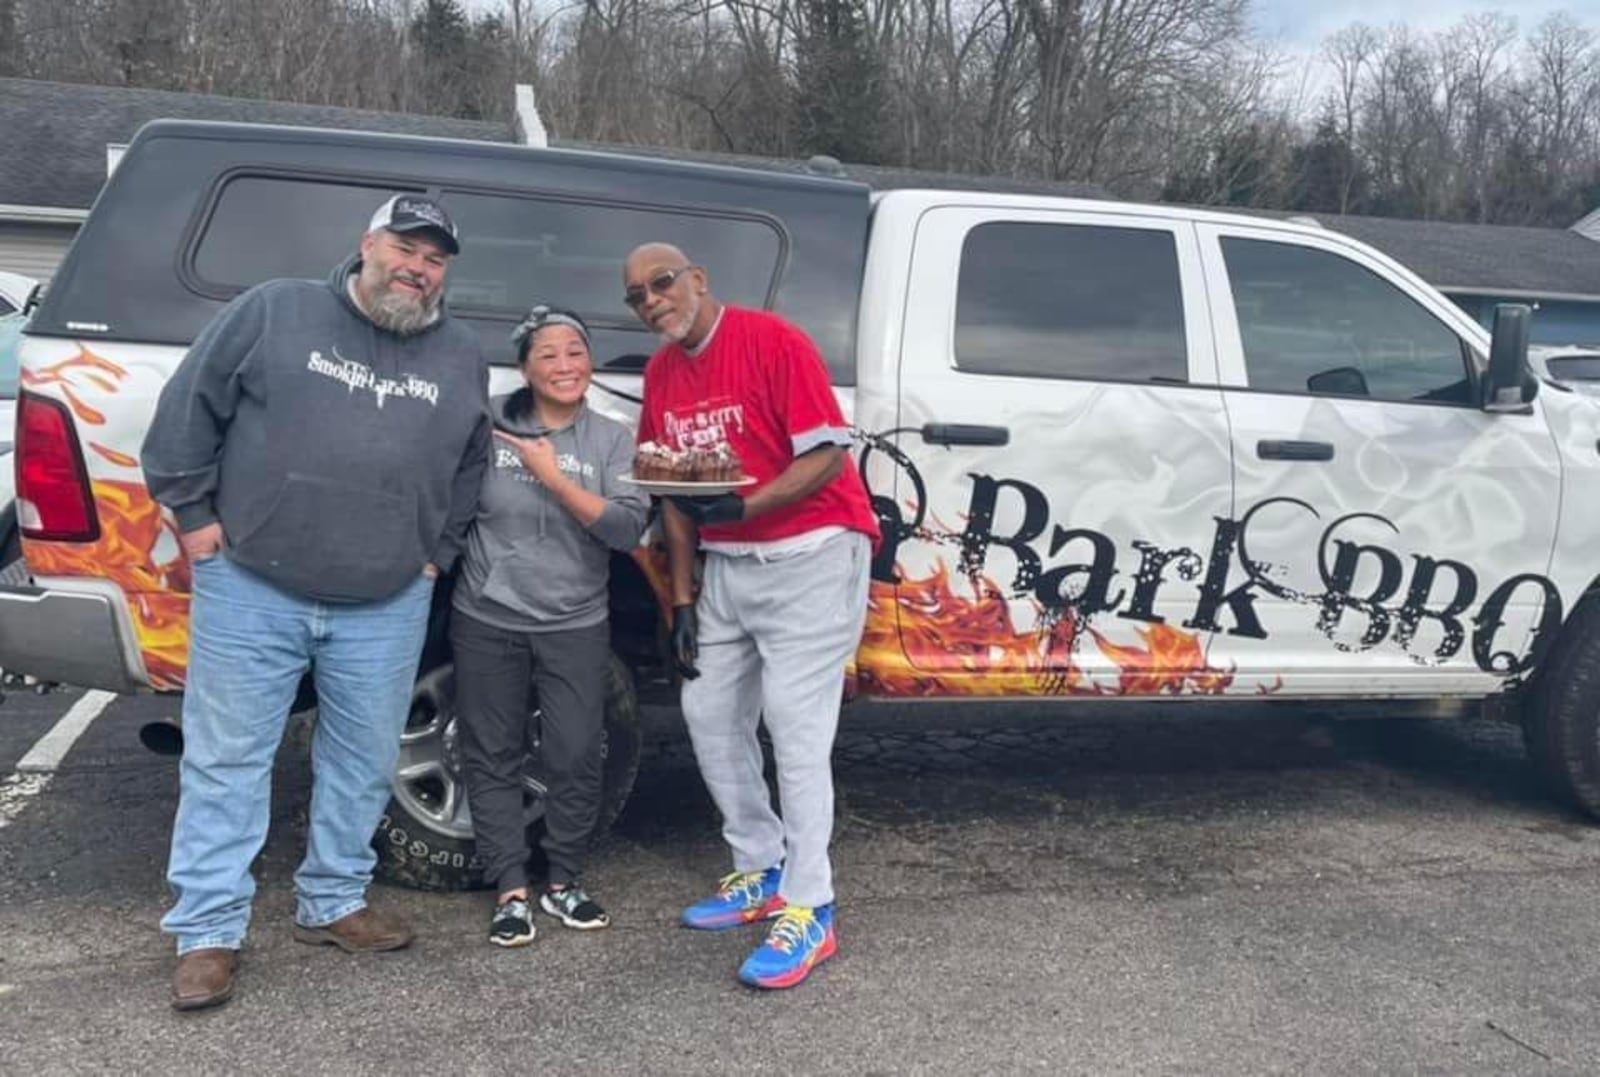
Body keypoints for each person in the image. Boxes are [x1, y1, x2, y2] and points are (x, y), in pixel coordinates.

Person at [142, 194, 490, 1012]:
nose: (418, 267)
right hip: (253, 585)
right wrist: (194, 523)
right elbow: (185, 417)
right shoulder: (275, 311)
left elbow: (472, 464)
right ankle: (208, 930)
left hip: (388, 598)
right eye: (405, 248)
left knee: (364, 760)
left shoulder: (460, 352)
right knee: (227, 760)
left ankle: (332, 899)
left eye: (435, 258)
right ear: (367, 245)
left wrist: (436, 558)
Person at [623, 243, 880, 989]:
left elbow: (827, 456)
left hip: (812, 551)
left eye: (663, 283)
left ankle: (812, 906)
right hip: (728, 565)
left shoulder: (774, 340)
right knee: (707, 712)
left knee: (795, 729)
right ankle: (759, 866)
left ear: (699, 279)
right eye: (637, 295)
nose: (652, 301)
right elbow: (668, 488)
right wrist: (681, 598)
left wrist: (743, 503)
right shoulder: (662, 372)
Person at [450, 305, 649, 947]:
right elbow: (452, 508)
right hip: (487, 615)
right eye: (548, 355)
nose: (565, 365)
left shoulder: (612, 439)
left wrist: (554, 478)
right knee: (492, 751)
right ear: (524, 368)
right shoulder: (487, 430)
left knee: (573, 751)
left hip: (575, 621)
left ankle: (564, 880)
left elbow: (623, 529)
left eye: (575, 352)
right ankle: (509, 887)